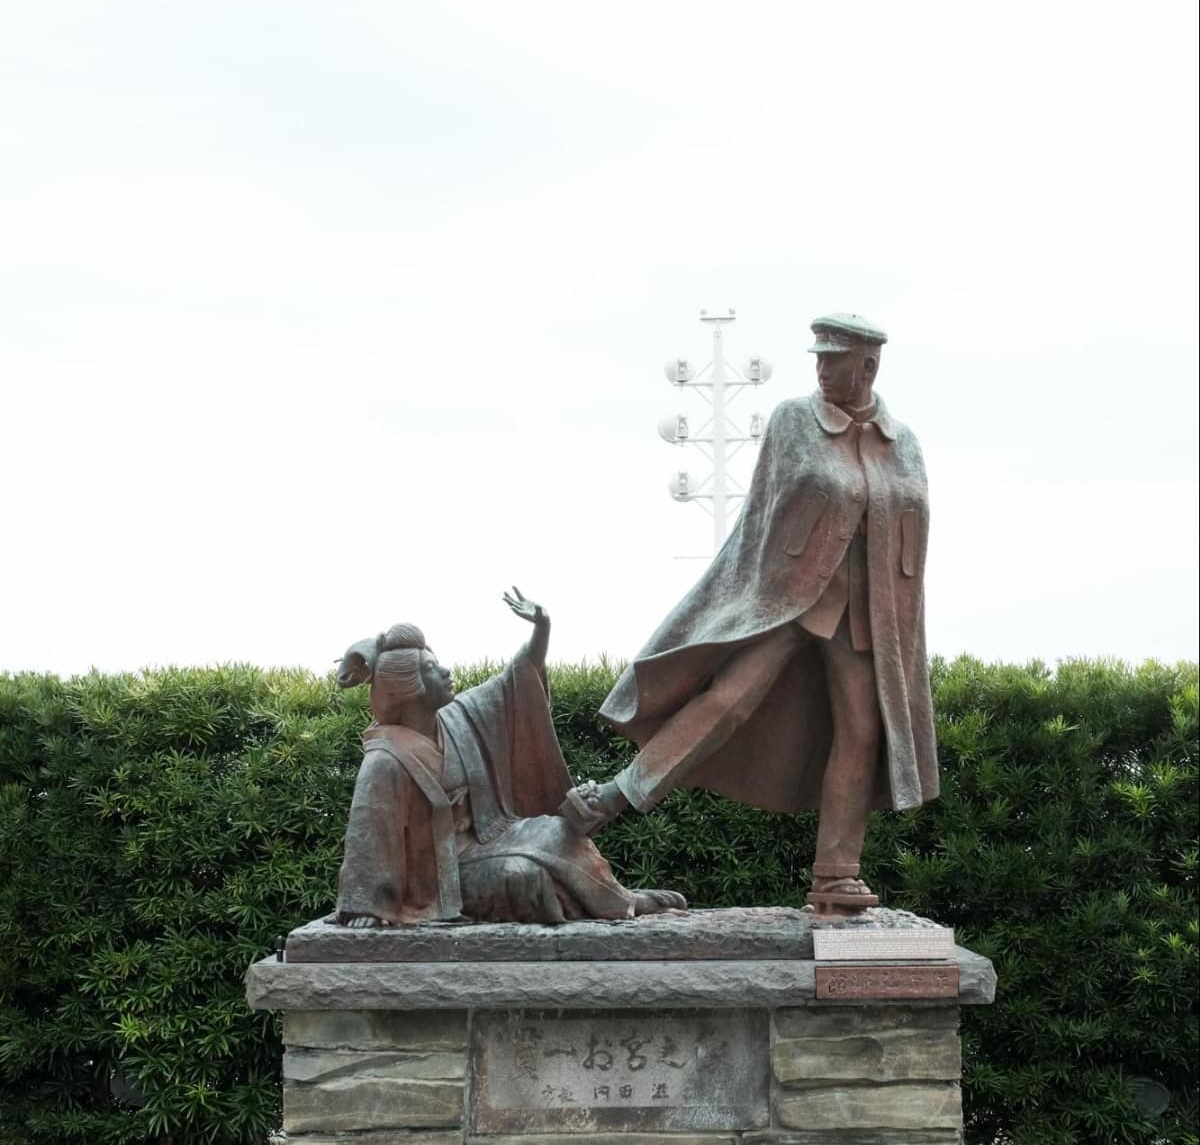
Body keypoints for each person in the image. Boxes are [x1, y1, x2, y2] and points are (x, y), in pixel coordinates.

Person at [559, 313, 938, 913]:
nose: (821, 369)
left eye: (833, 359)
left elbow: (909, 532)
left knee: (862, 732)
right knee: (727, 700)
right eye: (818, 357)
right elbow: (760, 519)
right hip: (788, 598)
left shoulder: (904, 444)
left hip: (863, 613)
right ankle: (613, 796)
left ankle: (836, 876)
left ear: (867, 366)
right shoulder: (795, 421)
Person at [334, 589, 685, 928]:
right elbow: (371, 835)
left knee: (559, 831)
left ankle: (621, 901)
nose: (445, 672)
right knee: (523, 875)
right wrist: (367, 905)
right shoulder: (385, 760)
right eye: (431, 668)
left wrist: (541, 630)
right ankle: (614, 905)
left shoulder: (458, 717)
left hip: (488, 838)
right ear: (408, 687)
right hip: (439, 874)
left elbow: (513, 684)